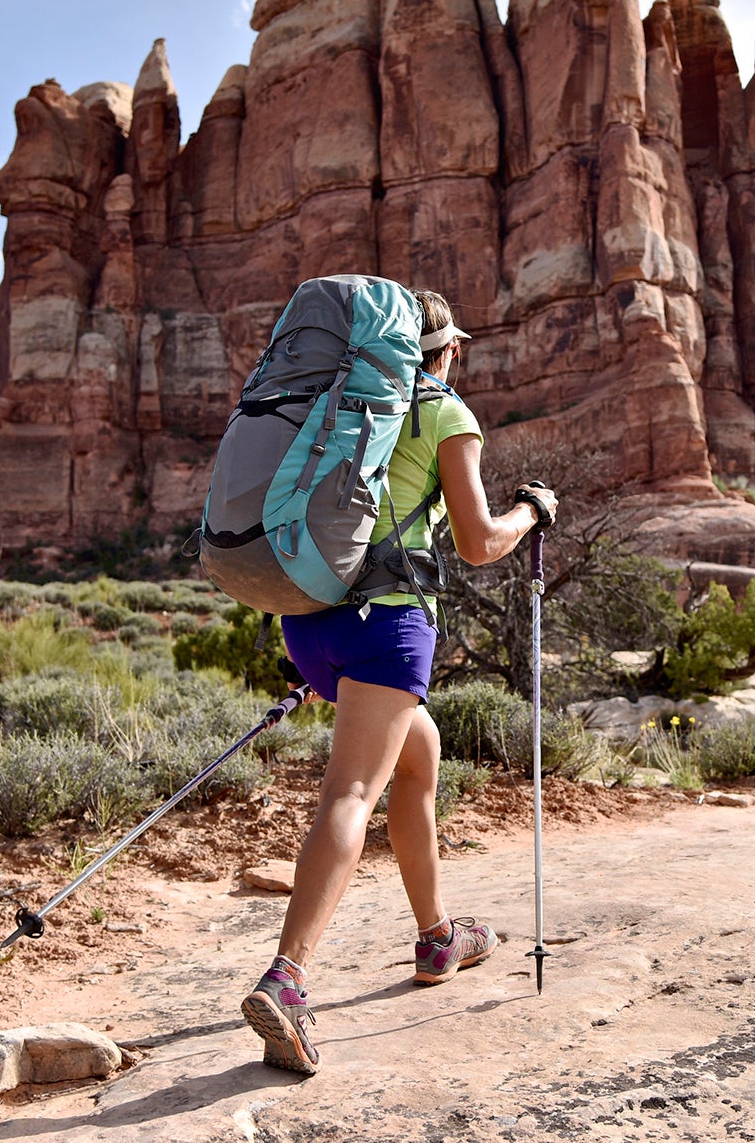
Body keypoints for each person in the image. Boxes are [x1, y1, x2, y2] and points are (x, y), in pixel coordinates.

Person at [239, 289, 557, 1075]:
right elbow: (480, 543)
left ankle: (437, 938)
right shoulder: (446, 412)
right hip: (386, 628)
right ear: (445, 352)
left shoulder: (336, 401)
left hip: (309, 623)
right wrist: (531, 513)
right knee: (351, 793)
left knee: (419, 758)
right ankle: (288, 979)